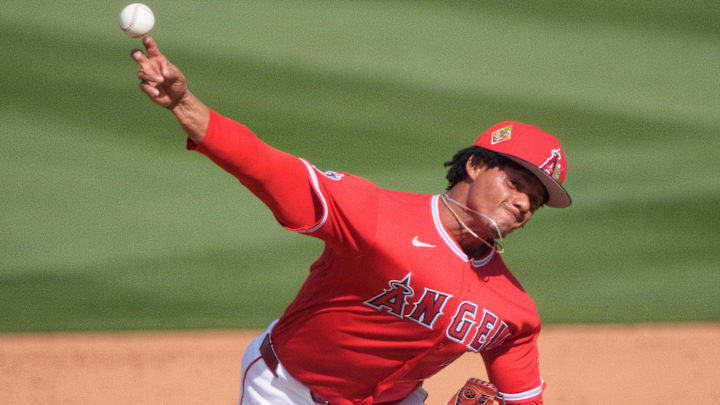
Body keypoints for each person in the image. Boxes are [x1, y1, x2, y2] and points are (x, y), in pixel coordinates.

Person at [130, 36, 571, 405]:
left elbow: (524, 398)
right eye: (515, 183)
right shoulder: (373, 214)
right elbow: (264, 166)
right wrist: (184, 104)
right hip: (287, 392)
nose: (522, 204)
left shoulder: (514, 311)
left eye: (534, 200)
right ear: (475, 165)